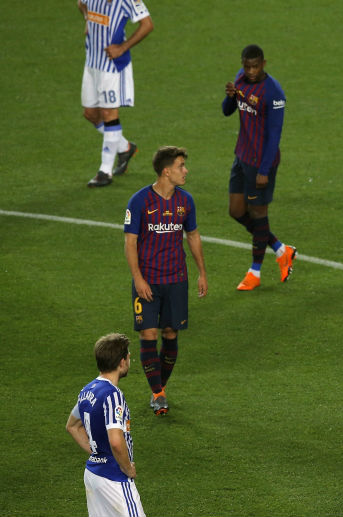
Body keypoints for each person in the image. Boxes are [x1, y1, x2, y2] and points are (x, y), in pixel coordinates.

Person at [124, 146, 207, 415]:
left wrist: (201, 273)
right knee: (148, 334)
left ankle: (157, 388)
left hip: (176, 280)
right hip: (148, 281)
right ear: (166, 171)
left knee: (170, 334)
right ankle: (159, 394)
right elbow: (130, 242)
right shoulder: (139, 202)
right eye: (181, 166)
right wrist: (138, 279)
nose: (186, 171)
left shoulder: (186, 201)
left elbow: (193, 236)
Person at [222, 44, 296, 291]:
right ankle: (281, 249)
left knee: (258, 214)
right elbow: (227, 111)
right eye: (247, 66)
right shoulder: (240, 79)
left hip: (261, 163)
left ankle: (255, 272)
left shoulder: (273, 92)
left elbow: (275, 134)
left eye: (255, 66)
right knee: (236, 210)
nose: (251, 71)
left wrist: (264, 170)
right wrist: (230, 96)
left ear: (264, 64)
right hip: (241, 157)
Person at [66, 333, 146, 516]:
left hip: (93, 474)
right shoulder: (112, 395)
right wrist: (127, 469)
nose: (129, 359)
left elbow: (72, 426)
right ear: (122, 362)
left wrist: (97, 453)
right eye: (128, 356)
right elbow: (116, 442)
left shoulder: (87, 391)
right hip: (114, 478)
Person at [77, 0, 153, 188]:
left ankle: (105, 171)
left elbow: (147, 24)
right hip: (92, 62)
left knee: (109, 115)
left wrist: (122, 47)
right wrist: (88, 19)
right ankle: (125, 148)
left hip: (112, 66)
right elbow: (81, 3)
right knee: (90, 114)